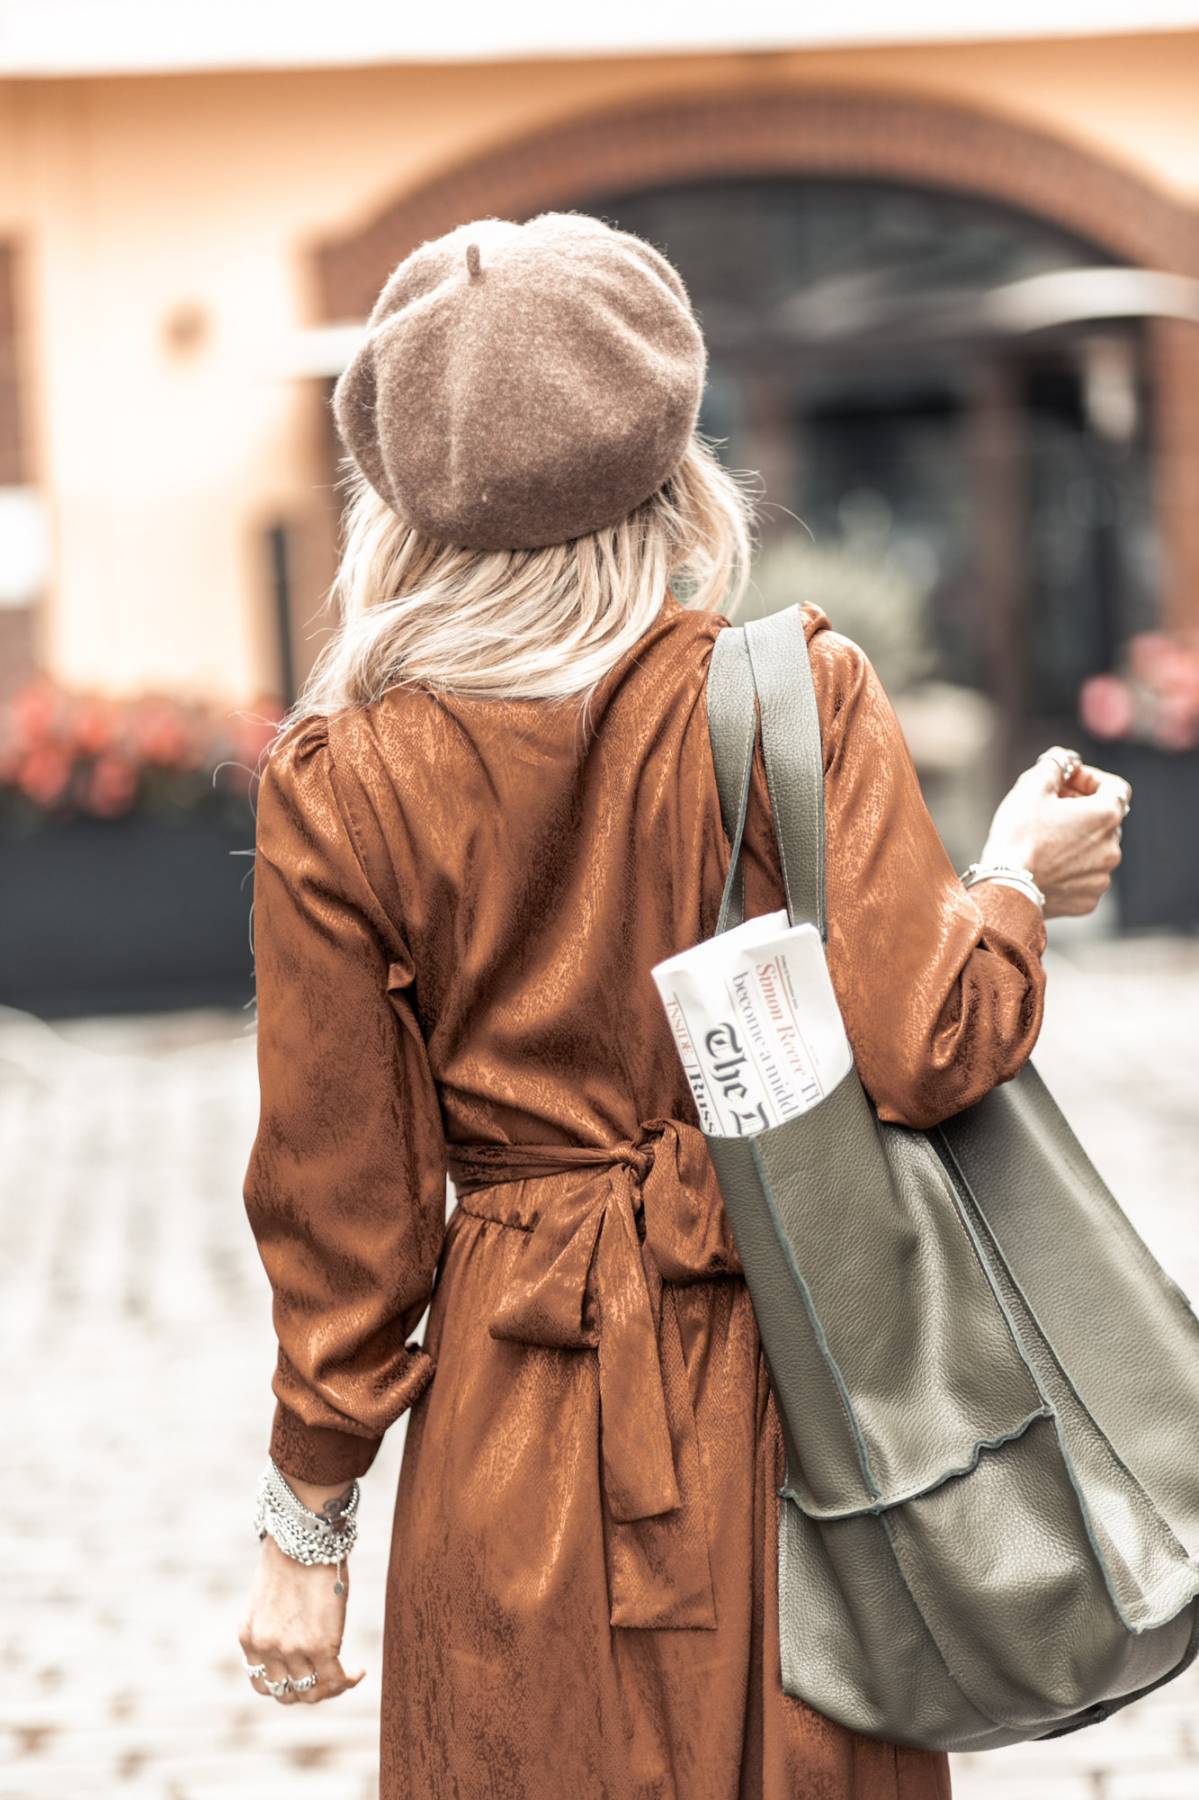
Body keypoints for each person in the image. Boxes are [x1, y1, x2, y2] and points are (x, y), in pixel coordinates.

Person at [235, 212, 1130, 1799]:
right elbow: (932, 1045)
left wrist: (310, 1527)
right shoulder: (786, 692)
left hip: (513, 1417)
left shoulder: (343, 778)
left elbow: (344, 1206)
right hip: (796, 1390)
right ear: (668, 458)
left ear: (399, 495)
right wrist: (1012, 888)